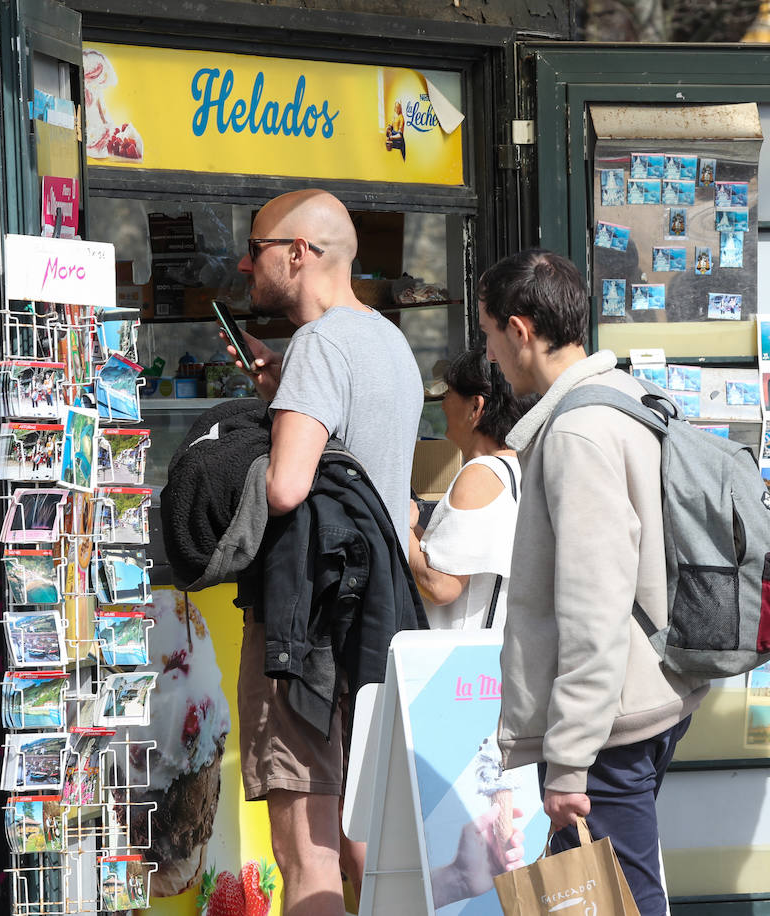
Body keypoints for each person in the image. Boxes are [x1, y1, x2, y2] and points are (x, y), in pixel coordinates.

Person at [480, 249, 706, 916]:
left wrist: (571, 757)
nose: (490, 355)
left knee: (624, 898)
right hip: (647, 692)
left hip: (610, 720)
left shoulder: (578, 430)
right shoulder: (628, 398)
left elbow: (592, 601)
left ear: (520, 329)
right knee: (590, 894)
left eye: (490, 334)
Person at [229, 189, 423, 916]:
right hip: (374, 619)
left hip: (303, 629)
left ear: (297, 253)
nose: (247, 264)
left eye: (256, 248)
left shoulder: (317, 345)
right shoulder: (388, 341)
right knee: (363, 845)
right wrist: (286, 394)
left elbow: (286, 487)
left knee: (304, 853)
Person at [407, 347, 533, 630]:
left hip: (460, 660)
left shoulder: (479, 475)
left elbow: (442, 585)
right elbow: (458, 557)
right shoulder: (518, 468)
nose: (442, 404)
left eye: (449, 393)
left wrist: (401, 528)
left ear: (475, 407)